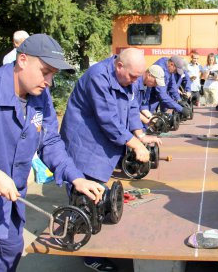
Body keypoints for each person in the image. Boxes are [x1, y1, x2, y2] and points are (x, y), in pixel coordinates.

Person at [0, 34, 105, 272]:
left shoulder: (40, 96)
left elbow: (50, 141)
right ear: (22, 60)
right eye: (45, 71)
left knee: (10, 257)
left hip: (10, 207)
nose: (49, 81)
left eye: (53, 74)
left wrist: (75, 177)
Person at [60, 48, 162, 272]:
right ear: (119, 66)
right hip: (84, 141)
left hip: (102, 139)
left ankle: (89, 236)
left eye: (138, 76)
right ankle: (86, 253)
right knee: (84, 199)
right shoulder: (98, 77)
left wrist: (140, 134)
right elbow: (108, 119)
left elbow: (133, 107)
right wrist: (135, 145)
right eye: (132, 77)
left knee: (97, 196)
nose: (135, 81)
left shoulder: (129, 77)